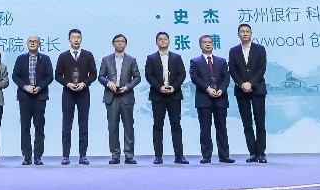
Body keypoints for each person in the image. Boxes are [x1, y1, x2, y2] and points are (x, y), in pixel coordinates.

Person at [54, 28, 96, 165]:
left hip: (83, 93)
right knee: (67, 124)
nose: (76, 39)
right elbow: (57, 75)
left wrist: (84, 83)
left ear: (81, 39)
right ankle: (66, 156)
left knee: (83, 124)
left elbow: (94, 74)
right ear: (69, 39)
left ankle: (83, 156)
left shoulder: (88, 55)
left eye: (78, 37)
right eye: (73, 37)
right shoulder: (63, 56)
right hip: (68, 93)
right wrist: (67, 84)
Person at [144, 31, 188, 164]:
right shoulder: (151, 58)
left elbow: (182, 74)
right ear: (156, 42)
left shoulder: (177, 57)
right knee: (158, 125)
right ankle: (158, 156)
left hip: (174, 95)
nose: (163, 41)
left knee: (176, 125)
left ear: (169, 41)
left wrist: (174, 87)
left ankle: (179, 156)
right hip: (158, 96)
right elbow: (149, 75)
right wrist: (159, 87)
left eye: (165, 39)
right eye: (160, 39)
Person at [189, 34, 234, 164]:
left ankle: (224, 156)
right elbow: (195, 78)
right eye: (205, 42)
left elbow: (226, 77)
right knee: (205, 129)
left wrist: (222, 89)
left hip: (220, 98)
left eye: (210, 42)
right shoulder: (195, 61)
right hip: (204, 99)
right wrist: (208, 88)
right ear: (200, 45)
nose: (208, 44)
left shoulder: (222, 61)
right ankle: (206, 156)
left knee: (222, 129)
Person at [98, 34, 142, 164]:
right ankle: (115, 155)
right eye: (117, 41)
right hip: (111, 97)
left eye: (122, 41)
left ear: (125, 44)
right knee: (112, 127)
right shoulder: (106, 59)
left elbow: (137, 77)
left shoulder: (131, 60)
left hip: (126, 96)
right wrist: (108, 83)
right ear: (113, 44)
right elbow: (100, 76)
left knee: (128, 127)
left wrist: (127, 87)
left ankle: (129, 155)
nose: (120, 43)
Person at [228, 23, 268, 163]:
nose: (245, 33)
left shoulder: (260, 49)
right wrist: (242, 84)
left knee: (260, 122)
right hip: (241, 91)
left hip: (257, 89)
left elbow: (262, 68)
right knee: (247, 123)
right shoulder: (233, 51)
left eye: (247, 31)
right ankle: (252, 153)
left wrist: (251, 83)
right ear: (238, 34)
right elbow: (232, 70)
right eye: (242, 31)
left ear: (251, 33)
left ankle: (261, 153)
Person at [11, 35, 53, 165]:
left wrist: (39, 87)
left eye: (35, 41)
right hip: (25, 96)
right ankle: (27, 156)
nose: (33, 43)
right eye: (30, 41)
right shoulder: (20, 58)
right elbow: (15, 76)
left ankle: (38, 156)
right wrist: (25, 87)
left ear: (39, 44)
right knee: (25, 127)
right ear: (27, 43)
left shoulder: (45, 58)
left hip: (39, 96)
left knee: (39, 127)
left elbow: (50, 76)